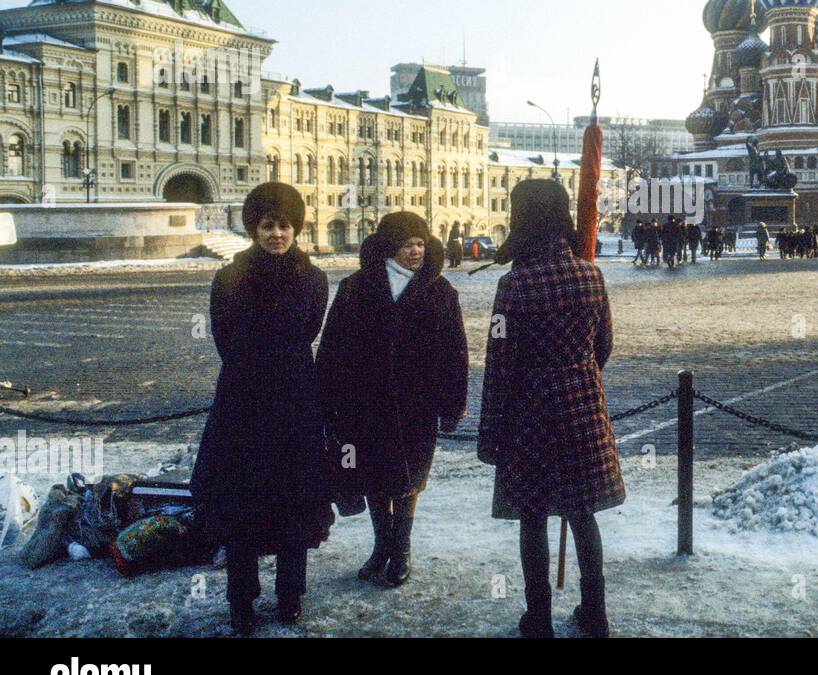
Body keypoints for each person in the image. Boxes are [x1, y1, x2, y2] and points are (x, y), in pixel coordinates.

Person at [478, 179, 623, 638]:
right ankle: (595, 613)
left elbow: (499, 359)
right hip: (582, 409)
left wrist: (494, 429)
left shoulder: (512, 285)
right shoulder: (590, 275)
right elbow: (604, 346)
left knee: (533, 516)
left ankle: (537, 617)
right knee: (583, 516)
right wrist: (576, 376)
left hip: (528, 417)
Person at [191, 183, 334, 636]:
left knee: (294, 501)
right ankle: (241, 601)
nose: (277, 234)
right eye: (268, 226)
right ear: (255, 229)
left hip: (295, 402)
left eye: (285, 226)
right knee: (241, 504)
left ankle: (290, 594)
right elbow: (223, 335)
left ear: (296, 229)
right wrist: (254, 367)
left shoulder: (313, 277)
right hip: (244, 403)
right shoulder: (230, 277)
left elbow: (310, 326)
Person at [316, 212, 469, 589]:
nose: (415, 251)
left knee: (409, 478)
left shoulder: (441, 291)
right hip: (364, 403)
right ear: (389, 247)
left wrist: (453, 403)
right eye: (407, 245)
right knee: (372, 477)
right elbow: (332, 345)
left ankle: (401, 549)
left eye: (420, 243)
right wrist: (326, 398)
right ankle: (382, 545)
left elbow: (456, 352)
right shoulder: (355, 288)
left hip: (417, 405)